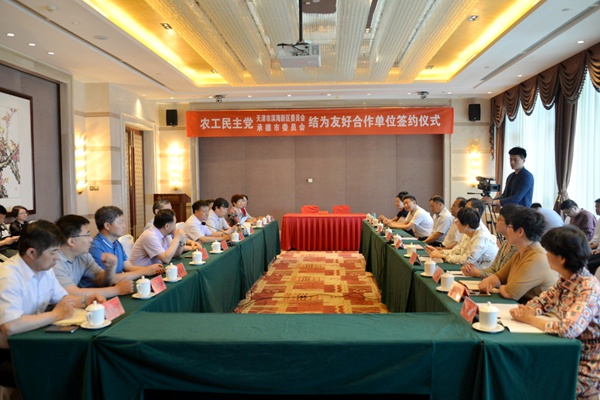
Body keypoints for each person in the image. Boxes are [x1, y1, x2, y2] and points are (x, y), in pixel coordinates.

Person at [509, 226, 600, 399]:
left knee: (529, 381)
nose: (546, 254)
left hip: (584, 365)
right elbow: (543, 301)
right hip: (562, 353)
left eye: (549, 251)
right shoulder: (566, 279)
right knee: (520, 371)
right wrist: (528, 309)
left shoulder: (588, 288)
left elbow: (568, 329)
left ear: (562, 259)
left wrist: (530, 319)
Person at [0, 220, 106, 348]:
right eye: (53, 252)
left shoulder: (44, 269)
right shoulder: (8, 276)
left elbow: (62, 299)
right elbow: (10, 326)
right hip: (11, 349)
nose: (57, 257)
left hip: (31, 337)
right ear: (32, 253)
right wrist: (55, 315)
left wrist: (85, 301)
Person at [478, 207, 558, 303]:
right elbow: (498, 277)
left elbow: (510, 293)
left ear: (520, 231)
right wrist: (489, 282)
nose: (507, 230)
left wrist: (501, 286)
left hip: (535, 308)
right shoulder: (521, 252)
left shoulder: (536, 257)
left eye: (509, 227)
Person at [53, 214, 134, 297]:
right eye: (87, 235)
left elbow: (102, 281)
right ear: (71, 241)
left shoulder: (84, 256)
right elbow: (73, 293)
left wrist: (110, 268)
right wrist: (116, 290)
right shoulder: (54, 261)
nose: (91, 239)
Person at [88, 206, 165, 282]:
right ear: (107, 226)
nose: (124, 226)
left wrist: (151, 269)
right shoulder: (95, 248)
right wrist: (144, 271)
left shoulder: (116, 243)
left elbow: (128, 267)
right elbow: (109, 279)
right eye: (120, 223)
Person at [426, 208, 498, 268]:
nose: (456, 223)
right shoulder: (468, 232)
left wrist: (443, 256)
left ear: (466, 225)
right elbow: (458, 250)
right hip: (471, 269)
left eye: (458, 221)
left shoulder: (481, 238)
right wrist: (439, 252)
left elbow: (467, 260)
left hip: (483, 272)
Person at [461, 204, 520, 278]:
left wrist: (478, 273)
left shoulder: (517, 248)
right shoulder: (505, 243)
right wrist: (474, 270)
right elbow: (493, 269)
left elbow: (504, 277)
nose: (495, 221)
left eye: (499, 219)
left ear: (510, 223)